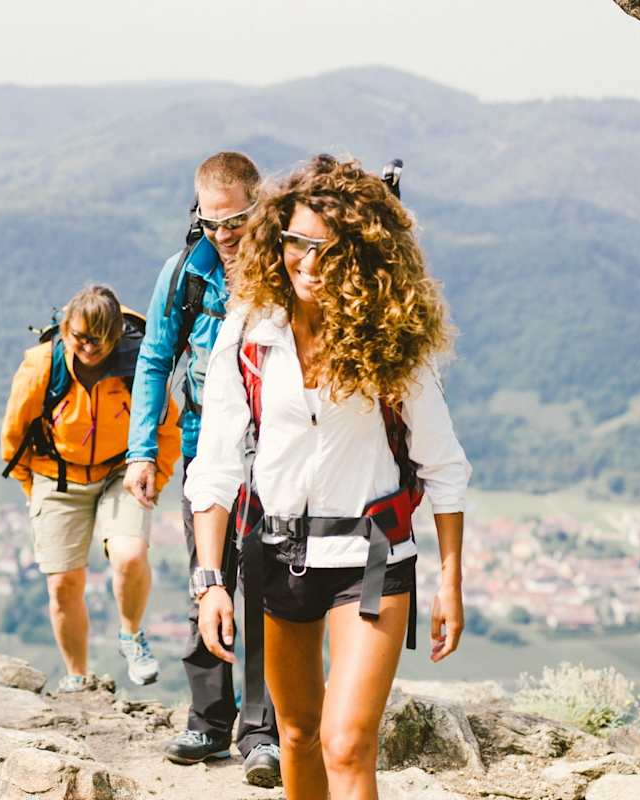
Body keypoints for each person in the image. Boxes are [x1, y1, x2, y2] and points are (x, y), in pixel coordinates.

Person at [186, 155, 471, 799]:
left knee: (347, 745)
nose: (309, 264)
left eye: (329, 250)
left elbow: (443, 466)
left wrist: (450, 583)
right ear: (276, 241)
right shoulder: (248, 335)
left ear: (362, 255)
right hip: (279, 557)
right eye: (297, 244)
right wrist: (209, 582)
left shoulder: (390, 339)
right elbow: (216, 468)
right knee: (296, 737)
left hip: (373, 559)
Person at [123, 152, 281, 788]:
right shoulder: (185, 273)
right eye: (210, 222)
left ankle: (264, 733)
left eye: (236, 220)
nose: (223, 234)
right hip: (202, 450)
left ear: (259, 204)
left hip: (277, 458)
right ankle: (210, 719)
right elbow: (155, 358)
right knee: (208, 581)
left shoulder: (286, 267)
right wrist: (141, 450)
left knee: (270, 590)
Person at [1, 284, 180, 691]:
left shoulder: (139, 364)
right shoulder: (42, 365)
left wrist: (158, 475)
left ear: (116, 334)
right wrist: (35, 490)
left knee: (131, 554)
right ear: (66, 329)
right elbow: (13, 436)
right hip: (56, 472)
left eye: (98, 340)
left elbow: (166, 429)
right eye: (79, 337)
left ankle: (131, 635)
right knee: (63, 583)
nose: (88, 348)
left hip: (122, 469)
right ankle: (77, 678)